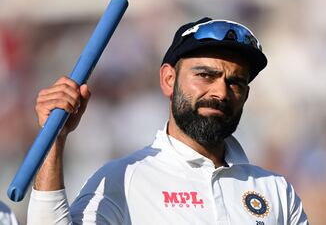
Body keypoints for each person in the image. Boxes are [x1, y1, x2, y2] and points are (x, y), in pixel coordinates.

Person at [27, 17, 309, 224]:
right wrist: (55, 140)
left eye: (235, 82)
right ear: (168, 79)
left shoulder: (274, 189)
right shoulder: (125, 178)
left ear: (246, 94)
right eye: (205, 76)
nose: (221, 92)